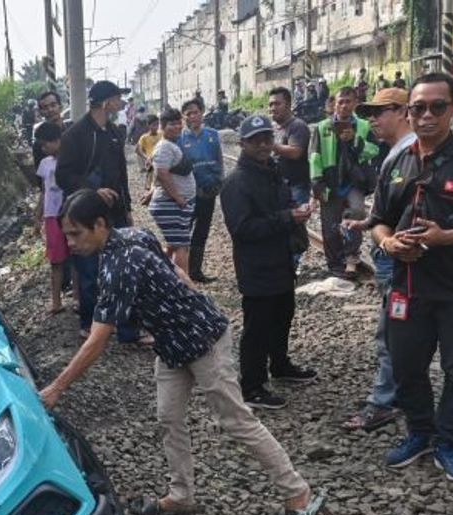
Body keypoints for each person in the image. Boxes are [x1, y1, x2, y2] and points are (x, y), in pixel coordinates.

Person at [39, 189, 327, 515]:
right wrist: (189, 293)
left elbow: (97, 339)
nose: (69, 243)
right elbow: (170, 264)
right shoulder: (132, 236)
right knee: (168, 418)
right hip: (172, 346)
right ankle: (181, 495)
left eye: (75, 233)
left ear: (100, 224)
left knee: (235, 420)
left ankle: (298, 493)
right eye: (66, 235)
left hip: (204, 340)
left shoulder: (121, 262)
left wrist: (56, 389)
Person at [366, 72, 453, 480]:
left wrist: (445, 238)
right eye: (419, 107)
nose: (427, 115)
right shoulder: (398, 162)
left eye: (437, 107)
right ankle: (420, 432)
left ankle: (450, 443)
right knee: (407, 365)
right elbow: (379, 221)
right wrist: (389, 243)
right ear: (408, 113)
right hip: (408, 285)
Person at [221, 115, 318, 411]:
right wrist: (287, 218)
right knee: (258, 326)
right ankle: (251, 385)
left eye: (267, 138)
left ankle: (280, 364)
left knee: (283, 314)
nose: (264, 145)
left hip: (280, 259)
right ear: (243, 144)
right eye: (256, 140)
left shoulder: (271, 171)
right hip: (256, 266)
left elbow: (281, 205)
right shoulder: (237, 182)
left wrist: (295, 210)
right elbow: (242, 229)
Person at [340, 87, 415, 432]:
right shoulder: (395, 153)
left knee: (391, 332)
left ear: (402, 112)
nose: (373, 119)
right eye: (369, 112)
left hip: (397, 259)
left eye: (380, 111)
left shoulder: (413, 153)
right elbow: (391, 207)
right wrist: (367, 223)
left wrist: (384, 235)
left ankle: (386, 401)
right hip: (388, 251)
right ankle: (393, 394)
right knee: (394, 330)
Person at [55, 80, 146, 343]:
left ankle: (125, 326)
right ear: (106, 102)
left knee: (122, 266)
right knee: (89, 269)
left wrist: (127, 207)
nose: (121, 104)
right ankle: (89, 323)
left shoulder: (115, 132)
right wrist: (92, 192)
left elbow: (121, 174)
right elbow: (63, 175)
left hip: (114, 210)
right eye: (118, 98)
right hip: (85, 213)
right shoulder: (77, 134)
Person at [309, 86, 379, 278]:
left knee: (356, 214)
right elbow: (314, 156)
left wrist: (356, 140)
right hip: (329, 182)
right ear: (334, 104)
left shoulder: (363, 126)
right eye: (340, 102)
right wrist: (316, 183)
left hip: (354, 182)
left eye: (349, 102)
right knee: (330, 225)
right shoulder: (323, 127)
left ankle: (351, 259)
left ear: (355, 103)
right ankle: (334, 264)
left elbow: (374, 150)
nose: (344, 106)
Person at [178, 98, 224, 283]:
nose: (193, 116)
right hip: (189, 194)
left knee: (202, 231)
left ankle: (196, 271)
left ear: (202, 112)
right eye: (188, 113)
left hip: (209, 191)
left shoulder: (212, 134)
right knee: (184, 231)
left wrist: (220, 181)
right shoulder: (180, 138)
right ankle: (181, 271)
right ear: (184, 117)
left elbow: (219, 159)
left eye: (195, 112)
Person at [149, 108, 197, 274]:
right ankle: (183, 286)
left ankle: (158, 272)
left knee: (173, 244)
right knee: (181, 246)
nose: (177, 127)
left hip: (175, 204)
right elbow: (161, 174)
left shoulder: (170, 145)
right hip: (171, 204)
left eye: (178, 123)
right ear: (162, 126)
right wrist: (178, 198)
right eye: (172, 124)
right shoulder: (164, 147)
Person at [35, 122, 68, 316]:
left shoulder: (69, 160)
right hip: (51, 215)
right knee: (56, 260)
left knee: (75, 258)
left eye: (45, 144)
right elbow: (44, 191)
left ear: (57, 141)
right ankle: (56, 301)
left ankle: (79, 299)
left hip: (68, 212)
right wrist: (37, 215)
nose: (43, 148)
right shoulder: (45, 164)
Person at [135, 114, 161, 178]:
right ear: (148, 125)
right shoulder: (144, 137)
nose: (156, 127)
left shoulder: (161, 134)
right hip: (150, 163)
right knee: (150, 182)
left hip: (161, 161)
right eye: (154, 125)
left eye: (157, 124)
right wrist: (146, 157)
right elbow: (137, 150)